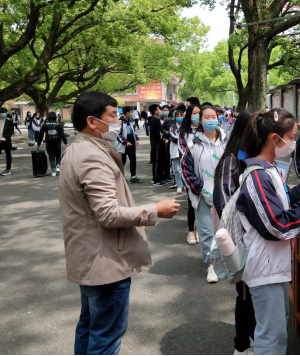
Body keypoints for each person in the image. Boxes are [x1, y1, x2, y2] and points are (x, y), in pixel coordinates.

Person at [58, 91, 180, 356]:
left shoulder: (79, 149)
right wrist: (154, 210)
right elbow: (109, 214)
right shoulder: (91, 155)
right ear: (92, 121)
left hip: (92, 257)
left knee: (90, 326)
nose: (118, 121)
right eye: (112, 116)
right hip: (105, 262)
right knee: (106, 336)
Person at [236, 108, 300, 355]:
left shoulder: (270, 169)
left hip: (273, 265)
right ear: (274, 139)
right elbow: (275, 225)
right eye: (291, 136)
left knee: (276, 328)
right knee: (271, 335)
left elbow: (282, 203)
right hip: (264, 267)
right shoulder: (257, 176)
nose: (293, 142)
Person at [213, 108, 257, 356]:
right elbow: (224, 203)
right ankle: (242, 344)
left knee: (252, 294)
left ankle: (249, 338)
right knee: (245, 293)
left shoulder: (251, 156)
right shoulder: (232, 160)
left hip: (253, 237)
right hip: (242, 239)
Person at [182, 105, 227, 284]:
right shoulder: (193, 144)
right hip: (202, 196)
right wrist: (201, 188)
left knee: (225, 230)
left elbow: (234, 164)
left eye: (213, 116)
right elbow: (186, 170)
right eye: (206, 117)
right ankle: (211, 265)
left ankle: (225, 260)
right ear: (200, 120)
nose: (210, 120)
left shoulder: (226, 140)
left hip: (224, 195)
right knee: (207, 231)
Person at [179, 103, 201, 245]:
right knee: (192, 202)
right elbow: (183, 149)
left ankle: (200, 229)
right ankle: (191, 231)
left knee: (203, 203)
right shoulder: (183, 132)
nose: (197, 115)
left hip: (205, 172)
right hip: (190, 172)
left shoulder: (204, 130)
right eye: (194, 113)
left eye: (199, 112)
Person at [37, 112, 69, 177]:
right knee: (58, 155)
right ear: (55, 117)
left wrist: (39, 143)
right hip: (57, 142)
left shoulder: (45, 124)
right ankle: (58, 167)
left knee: (51, 156)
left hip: (49, 142)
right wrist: (65, 142)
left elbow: (41, 134)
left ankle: (53, 171)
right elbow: (62, 134)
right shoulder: (58, 124)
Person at [116, 107, 142, 184]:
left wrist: (136, 139)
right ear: (127, 113)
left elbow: (134, 132)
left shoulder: (131, 121)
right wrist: (125, 142)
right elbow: (118, 135)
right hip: (124, 145)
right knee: (122, 162)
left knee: (133, 160)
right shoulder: (120, 122)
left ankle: (133, 176)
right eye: (130, 112)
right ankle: (119, 178)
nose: (131, 113)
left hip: (132, 144)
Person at [148, 104, 170, 187]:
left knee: (161, 162)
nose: (160, 111)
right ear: (155, 111)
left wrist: (164, 134)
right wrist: (164, 135)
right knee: (157, 162)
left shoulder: (157, 120)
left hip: (160, 144)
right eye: (158, 109)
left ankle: (161, 178)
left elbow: (162, 131)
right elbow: (159, 133)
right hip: (156, 144)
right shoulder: (153, 120)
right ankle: (156, 179)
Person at [169, 107, 185, 194]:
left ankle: (185, 185)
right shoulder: (173, 126)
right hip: (175, 150)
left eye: (181, 116)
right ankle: (179, 185)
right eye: (178, 116)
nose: (179, 118)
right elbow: (173, 138)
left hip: (184, 150)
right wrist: (182, 138)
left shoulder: (186, 126)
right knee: (177, 169)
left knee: (184, 169)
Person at [0, 108, 14, 176]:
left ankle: (8, 169)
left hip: (6, 140)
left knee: (8, 155)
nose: (4, 114)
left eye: (5, 112)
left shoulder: (9, 121)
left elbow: (11, 131)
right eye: (3, 113)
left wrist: (4, 137)